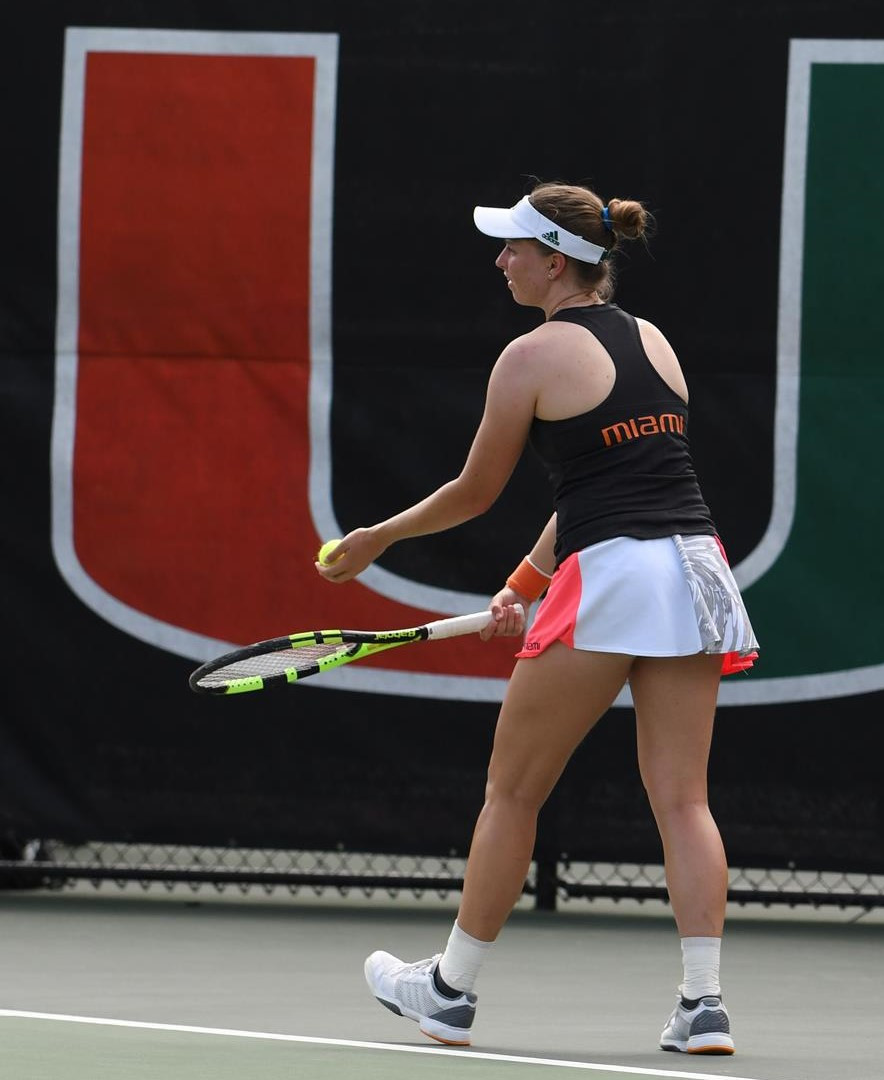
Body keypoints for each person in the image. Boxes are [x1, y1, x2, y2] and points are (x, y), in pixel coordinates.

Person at [314, 181, 758, 1056]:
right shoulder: (655, 342)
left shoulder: (529, 356)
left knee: (512, 792)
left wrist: (377, 537)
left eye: (514, 246)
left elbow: (475, 493)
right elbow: (608, 482)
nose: (500, 258)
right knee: (685, 800)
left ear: (557, 260)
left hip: (619, 573)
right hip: (697, 570)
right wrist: (525, 581)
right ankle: (704, 1005)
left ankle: (447, 992)